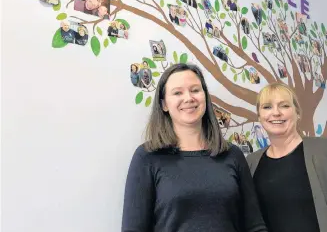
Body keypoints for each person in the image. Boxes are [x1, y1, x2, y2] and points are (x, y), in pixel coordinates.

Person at [122, 63, 268, 232]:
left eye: (195, 90)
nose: (188, 98)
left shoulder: (232, 154)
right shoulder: (147, 157)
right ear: (164, 105)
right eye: (177, 92)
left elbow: (254, 225)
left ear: (204, 97)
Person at [247, 82, 327, 232]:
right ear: (259, 117)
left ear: (297, 113)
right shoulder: (250, 163)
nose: (276, 113)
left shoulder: (323, 150)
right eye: (267, 107)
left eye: (284, 106)